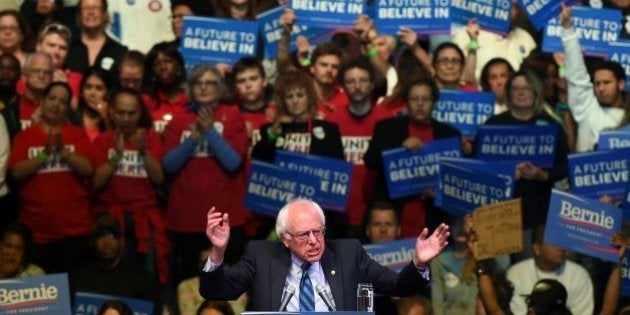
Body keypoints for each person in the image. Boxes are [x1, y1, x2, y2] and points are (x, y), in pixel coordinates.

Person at [200, 198, 450, 311]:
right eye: (303, 235)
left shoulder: (348, 253)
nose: (313, 241)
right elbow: (216, 291)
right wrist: (218, 252)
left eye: (318, 232)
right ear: (285, 239)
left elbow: (398, 286)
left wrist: (418, 263)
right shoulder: (261, 255)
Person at [163, 63, 248, 282]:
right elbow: (169, 165)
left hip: (225, 218)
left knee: (227, 286)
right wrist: (192, 139)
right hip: (186, 221)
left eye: (209, 83)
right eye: (198, 83)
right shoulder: (179, 119)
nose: (203, 88)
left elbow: (233, 162)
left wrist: (210, 132)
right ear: (190, 88)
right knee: (189, 288)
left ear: (219, 88)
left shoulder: (232, 115)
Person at [479, 70, 569, 260]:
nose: (521, 93)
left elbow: (565, 165)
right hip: (497, 214)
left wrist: (543, 175)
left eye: (526, 88)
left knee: (527, 269)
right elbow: (478, 167)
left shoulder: (551, 125)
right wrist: (507, 174)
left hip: (535, 213)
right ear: (509, 93)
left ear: (536, 92)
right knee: (499, 272)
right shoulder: (493, 125)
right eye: (515, 88)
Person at [9, 81, 94, 273]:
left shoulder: (77, 134)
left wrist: (65, 154)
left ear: (67, 108)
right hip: (36, 233)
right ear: (43, 101)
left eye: (62, 101)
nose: (56, 104)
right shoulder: (25, 136)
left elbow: (88, 169)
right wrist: (43, 155)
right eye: (52, 98)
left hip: (75, 231)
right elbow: (15, 172)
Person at [364, 76, 463, 237]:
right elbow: (370, 161)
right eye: (414, 98)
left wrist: (441, 191)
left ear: (434, 102)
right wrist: (400, 149)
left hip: (434, 218)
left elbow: (458, 180)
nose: (420, 104)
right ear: (407, 102)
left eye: (425, 99)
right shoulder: (387, 128)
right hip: (394, 219)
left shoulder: (449, 135)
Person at [92, 88, 169, 283]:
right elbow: (95, 183)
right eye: (121, 112)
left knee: (147, 275)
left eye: (131, 113)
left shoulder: (149, 138)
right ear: (112, 113)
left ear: (139, 113)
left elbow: (159, 178)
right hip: (111, 219)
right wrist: (115, 156)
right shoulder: (103, 140)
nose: (126, 118)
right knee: (112, 276)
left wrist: (144, 152)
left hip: (143, 217)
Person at [327, 56, 389, 234]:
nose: (357, 86)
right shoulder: (332, 121)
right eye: (351, 81)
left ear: (372, 84)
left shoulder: (386, 121)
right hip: (339, 215)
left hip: (376, 216)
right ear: (343, 86)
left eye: (363, 80)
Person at [560, 3, 626, 152]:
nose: (601, 88)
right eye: (597, 84)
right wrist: (568, 28)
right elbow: (576, 74)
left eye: (607, 82)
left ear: (621, 84)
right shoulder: (588, 109)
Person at [70, 213, 160, 314]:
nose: (107, 242)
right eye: (101, 236)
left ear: (122, 241)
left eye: (112, 235)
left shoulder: (142, 278)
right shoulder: (77, 277)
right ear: (92, 242)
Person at [506, 225, 593, 315]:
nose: (561, 248)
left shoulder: (579, 275)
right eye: (554, 243)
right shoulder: (516, 274)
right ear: (537, 248)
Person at [66, 0, 127, 77]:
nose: (90, 12)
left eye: (95, 7)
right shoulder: (68, 47)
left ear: (104, 14)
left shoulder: (119, 51)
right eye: (85, 8)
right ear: (79, 15)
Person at [143, 42, 187, 135]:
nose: (163, 67)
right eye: (156, 64)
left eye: (168, 61)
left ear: (179, 65)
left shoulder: (192, 101)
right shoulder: (145, 101)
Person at [19, 52, 53, 130]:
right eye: (36, 71)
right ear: (24, 76)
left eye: (47, 72)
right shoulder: (12, 109)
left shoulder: (60, 110)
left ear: (52, 78)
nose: (42, 76)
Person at [76, 67, 111, 141]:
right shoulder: (71, 119)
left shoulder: (113, 121)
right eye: (88, 87)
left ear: (107, 93)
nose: (92, 93)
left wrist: (106, 119)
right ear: (82, 92)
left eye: (99, 88)